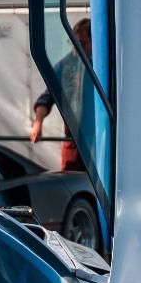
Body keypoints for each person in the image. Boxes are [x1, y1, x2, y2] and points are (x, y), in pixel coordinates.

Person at [29, 18, 91, 172]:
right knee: (72, 183)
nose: (76, 48)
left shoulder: (103, 65)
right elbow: (46, 98)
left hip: (99, 142)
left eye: (82, 44)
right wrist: (38, 123)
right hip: (73, 141)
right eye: (73, 43)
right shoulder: (65, 66)